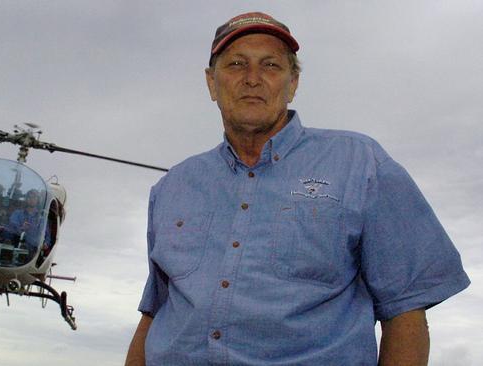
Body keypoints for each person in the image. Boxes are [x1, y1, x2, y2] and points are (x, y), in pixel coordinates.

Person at [125, 12, 470, 366]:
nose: (252, 79)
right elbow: (155, 312)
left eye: (271, 65)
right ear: (212, 83)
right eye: (236, 64)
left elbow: (406, 311)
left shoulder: (361, 163)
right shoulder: (172, 187)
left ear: (293, 83)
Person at [7, 189, 51, 256]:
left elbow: (47, 235)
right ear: (26, 199)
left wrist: (45, 244)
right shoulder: (17, 213)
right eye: (29, 197)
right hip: (14, 246)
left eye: (34, 197)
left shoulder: (41, 219)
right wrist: (21, 228)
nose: (31, 199)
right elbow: (10, 228)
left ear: (38, 200)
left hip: (33, 252)